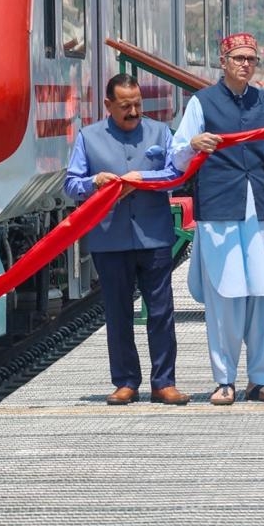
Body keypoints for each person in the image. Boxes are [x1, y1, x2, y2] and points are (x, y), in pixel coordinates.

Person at [171, 32, 264, 406]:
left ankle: (261, 379)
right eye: (238, 58)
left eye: (251, 59)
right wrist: (194, 145)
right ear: (223, 62)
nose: (245, 65)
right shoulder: (201, 103)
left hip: (261, 208)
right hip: (220, 208)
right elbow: (177, 155)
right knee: (224, 295)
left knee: (261, 295)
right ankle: (224, 379)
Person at [65, 74, 188, 406]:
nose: (133, 112)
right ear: (108, 105)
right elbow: (71, 184)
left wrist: (142, 178)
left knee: (161, 311)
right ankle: (125, 381)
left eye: (137, 104)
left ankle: (164, 382)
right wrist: (94, 182)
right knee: (117, 313)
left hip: (153, 235)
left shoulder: (161, 132)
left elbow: (177, 175)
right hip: (110, 238)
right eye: (125, 106)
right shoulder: (88, 137)